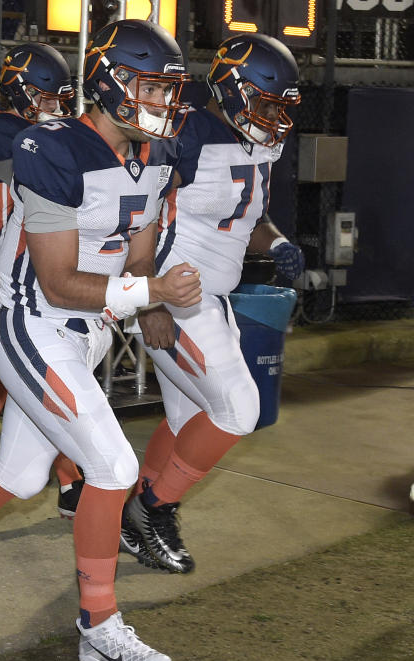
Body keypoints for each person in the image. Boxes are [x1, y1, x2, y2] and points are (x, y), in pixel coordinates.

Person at [0, 20, 202, 661]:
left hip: (88, 333)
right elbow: (58, 281)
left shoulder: (157, 156)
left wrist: (152, 296)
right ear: (111, 84)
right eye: (151, 88)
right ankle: (99, 625)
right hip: (34, 324)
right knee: (111, 468)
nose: (165, 105)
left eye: (170, 92)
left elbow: (137, 248)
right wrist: (150, 291)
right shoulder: (55, 149)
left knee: (21, 476)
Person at [121, 33, 305, 574]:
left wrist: (274, 242)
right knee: (238, 409)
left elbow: (245, 216)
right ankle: (153, 508)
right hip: (174, 298)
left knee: (189, 419)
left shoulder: (262, 142)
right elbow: (138, 219)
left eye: (280, 106)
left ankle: (132, 514)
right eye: (265, 103)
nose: (273, 117)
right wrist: (148, 300)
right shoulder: (186, 133)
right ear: (232, 91)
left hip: (214, 298)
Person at [0, 42, 86, 519]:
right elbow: (20, 166)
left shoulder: (52, 131)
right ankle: (71, 481)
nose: (52, 108)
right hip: (13, 264)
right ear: (16, 90)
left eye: (57, 99)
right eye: (43, 98)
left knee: (14, 367)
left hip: (37, 259)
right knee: (49, 371)